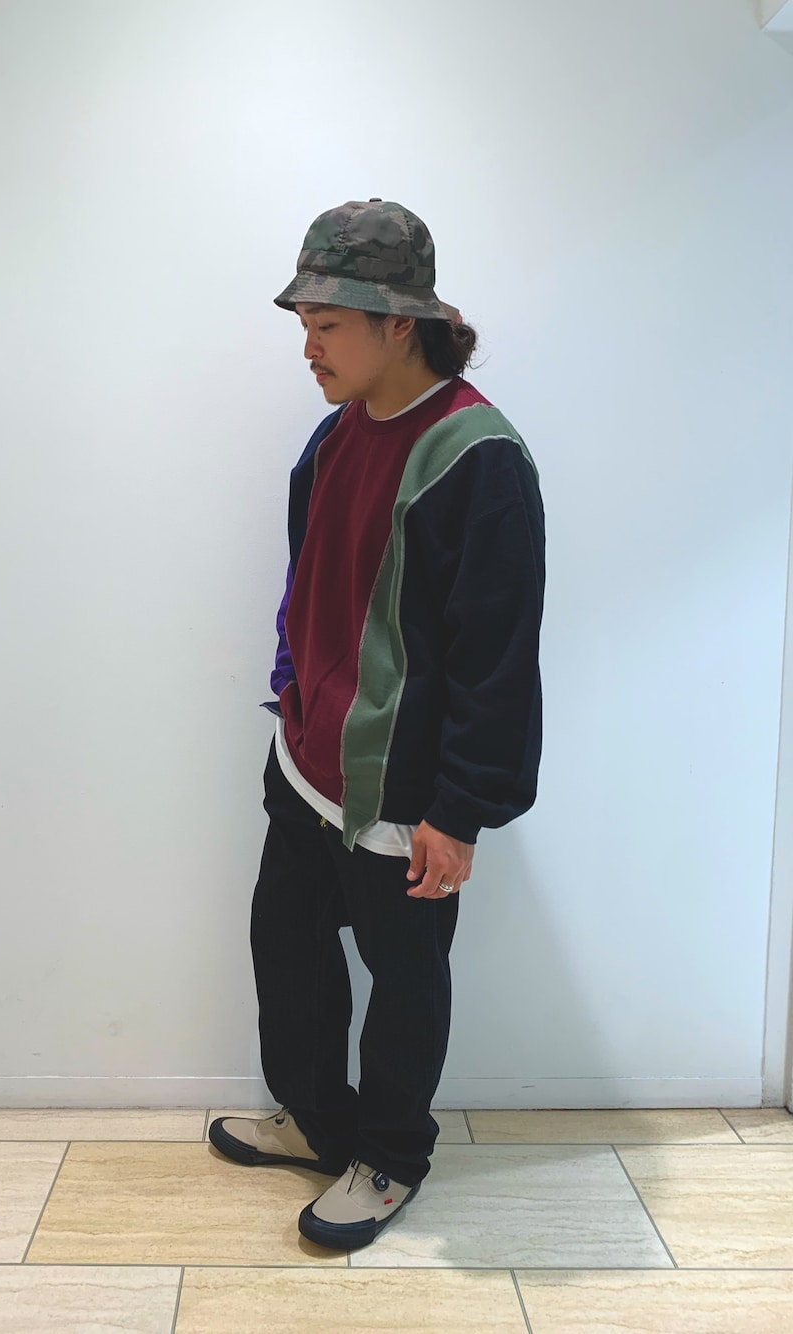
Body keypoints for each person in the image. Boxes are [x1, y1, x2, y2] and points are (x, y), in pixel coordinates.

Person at [209, 199, 545, 1251]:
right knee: (288, 952)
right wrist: (290, 692)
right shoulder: (334, 434)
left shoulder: (478, 459)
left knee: (403, 982)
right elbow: (308, 582)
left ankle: (390, 1155)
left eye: (328, 324)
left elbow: (498, 657)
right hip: (306, 760)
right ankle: (319, 1121)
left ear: (400, 324)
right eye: (304, 324)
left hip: (402, 789)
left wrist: (462, 809)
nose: (307, 346)